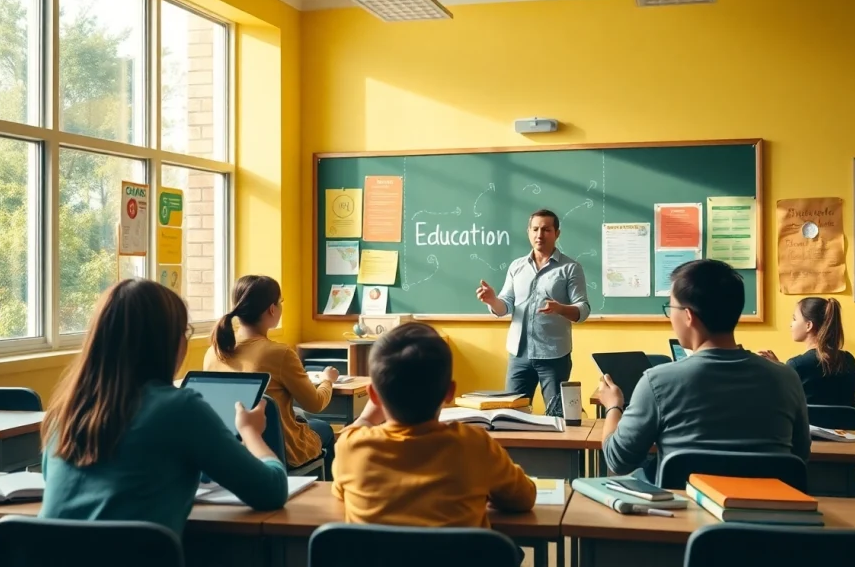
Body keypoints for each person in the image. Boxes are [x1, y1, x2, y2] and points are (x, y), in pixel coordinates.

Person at [39, 279, 288, 535]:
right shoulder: (180, 408)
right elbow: (271, 491)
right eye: (185, 332)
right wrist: (250, 432)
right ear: (167, 341)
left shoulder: (65, 410)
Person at [596, 259, 810, 482]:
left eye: (671, 308)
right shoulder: (786, 378)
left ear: (689, 316)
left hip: (683, 513)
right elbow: (800, 455)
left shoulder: (657, 382)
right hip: (769, 512)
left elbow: (618, 460)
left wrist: (613, 406)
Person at [332, 322, 536, 527]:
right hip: (458, 560)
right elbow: (523, 499)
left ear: (373, 395)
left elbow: (340, 493)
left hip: (377, 560)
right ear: (450, 392)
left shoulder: (351, 447)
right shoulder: (474, 445)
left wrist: (366, 419)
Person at [205, 275, 338, 472]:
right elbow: (316, 403)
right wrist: (328, 381)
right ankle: (325, 496)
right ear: (272, 309)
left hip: (230, 450)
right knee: (323, 428)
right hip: (280, 449)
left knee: (301, 417)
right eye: (280, 301)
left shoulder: (214, 352)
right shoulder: (279, 353)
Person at [475, 209, 591, 415]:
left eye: (546, 229)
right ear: (528, 231)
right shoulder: (516, 267)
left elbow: (583, 309)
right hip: (519, 355)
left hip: (554, 355)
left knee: (558, 416)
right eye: (535, 229)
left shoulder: (570, 268)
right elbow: (506, 306)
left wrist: (560, 309)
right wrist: (493, 301)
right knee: (510, 415)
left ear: (557, 233)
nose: (540, 235)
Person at [758, 297, 855, 407]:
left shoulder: (798, 365)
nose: (791, 324)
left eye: (794, 319)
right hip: (846, 424)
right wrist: (783, 368)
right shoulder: (849, 360)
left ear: (808, 326)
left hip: (809, 425)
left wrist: (782, 370)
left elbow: (781, 397)